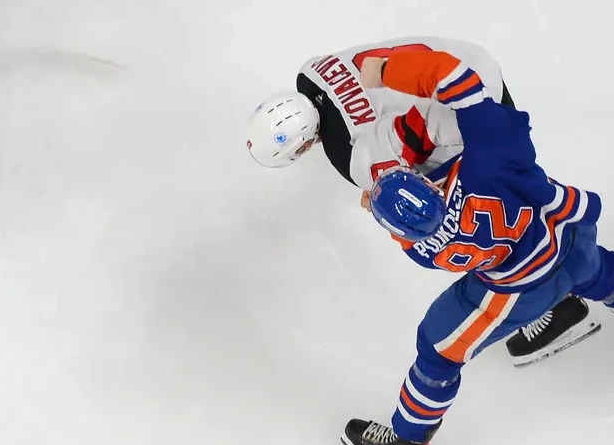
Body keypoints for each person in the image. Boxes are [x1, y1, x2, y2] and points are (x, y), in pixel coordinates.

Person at [324, 47, 614, 445]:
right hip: (568, 240)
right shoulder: (494, 159)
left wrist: (382, 192)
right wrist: (387, 69)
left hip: (518, 289)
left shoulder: (422, 247)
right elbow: (458, 78)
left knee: (439, 350)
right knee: (610, 276)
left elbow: (409, 220)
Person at [245, 40, 594, 365]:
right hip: (471, 67)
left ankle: (557, 302)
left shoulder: (353, 156)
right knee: (512, 195)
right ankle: (560, 267)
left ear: (304, 146)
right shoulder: (315, 70)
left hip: (462, 107)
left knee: (474, 225)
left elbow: (415, 170)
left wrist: (491, 139)